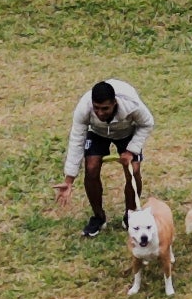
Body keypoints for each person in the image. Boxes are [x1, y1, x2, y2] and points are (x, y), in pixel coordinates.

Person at [56, 79, 154, 237]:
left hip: (126, 131)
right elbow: (76, 140)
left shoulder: (132, 104)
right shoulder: (84, 107)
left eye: (105, 108)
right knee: (91, 167)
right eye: (96, 108)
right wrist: (69, 179)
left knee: (133, 170)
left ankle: (131, 216)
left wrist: (131, 151)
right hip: (97, 132)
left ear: (114, 103)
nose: (100, 113)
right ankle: (98, 217)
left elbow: (147, 123)